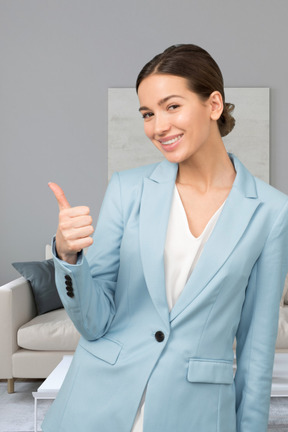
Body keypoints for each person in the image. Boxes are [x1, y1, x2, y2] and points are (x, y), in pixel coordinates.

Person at [42, 44, 288, 432]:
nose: (158, 126)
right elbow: (95, 321)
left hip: (196, 413)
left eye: (172, 106)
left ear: (214, 104)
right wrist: (68, 256)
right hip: (98, 403)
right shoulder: (127, 190)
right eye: (147, 113)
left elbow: (257, 351)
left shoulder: (271, 212)